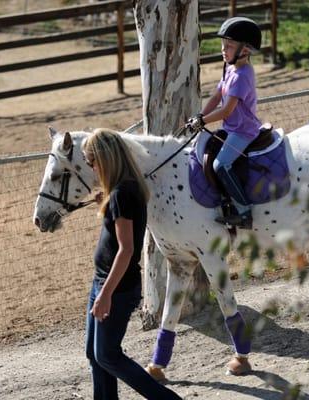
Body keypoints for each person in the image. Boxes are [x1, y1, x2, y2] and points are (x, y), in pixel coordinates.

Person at [82, 129, 181, 400]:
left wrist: (105, 295)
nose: (91, 167)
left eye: (92, 161)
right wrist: (108, 202)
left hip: (116, 287)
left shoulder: (123, 194)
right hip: (102, 281)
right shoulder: (121, 190)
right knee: (95, 354)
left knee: (108, 355)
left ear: (106, 159)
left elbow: (126, 251)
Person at [187, 17, 263, 229]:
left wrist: (203, 120)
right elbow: (216, 96)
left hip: (243, 131)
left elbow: (226, 109)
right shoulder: (229, 69)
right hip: (230, 129)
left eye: (229, 45)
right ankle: (224, 201)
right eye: (223, 44)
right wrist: (198, 116)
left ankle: (245, 211)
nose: (223, 49)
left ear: (246, 49)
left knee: (221, 164)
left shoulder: (242, 75)